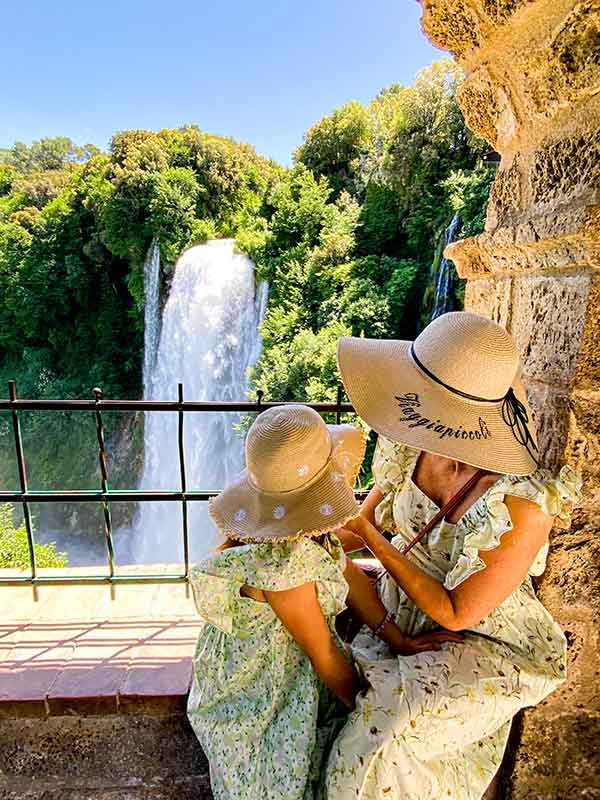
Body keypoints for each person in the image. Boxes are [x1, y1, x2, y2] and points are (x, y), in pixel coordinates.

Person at [325, 311, 581, 800]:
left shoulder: (520, 502)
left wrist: (373, 542)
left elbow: (457, 612)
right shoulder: (413, 447)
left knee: (387, 732)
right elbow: (366, 526)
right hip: (402, 608)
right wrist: (298, 541)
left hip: (484, 639)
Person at [187, 404, 460, 800]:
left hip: (285, 666)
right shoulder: (283, 569)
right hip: (259, 694)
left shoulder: (309, 537)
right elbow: (324, 656)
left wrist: (396, 637)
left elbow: (349, 578)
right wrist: (363, 713)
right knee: (282, 778)